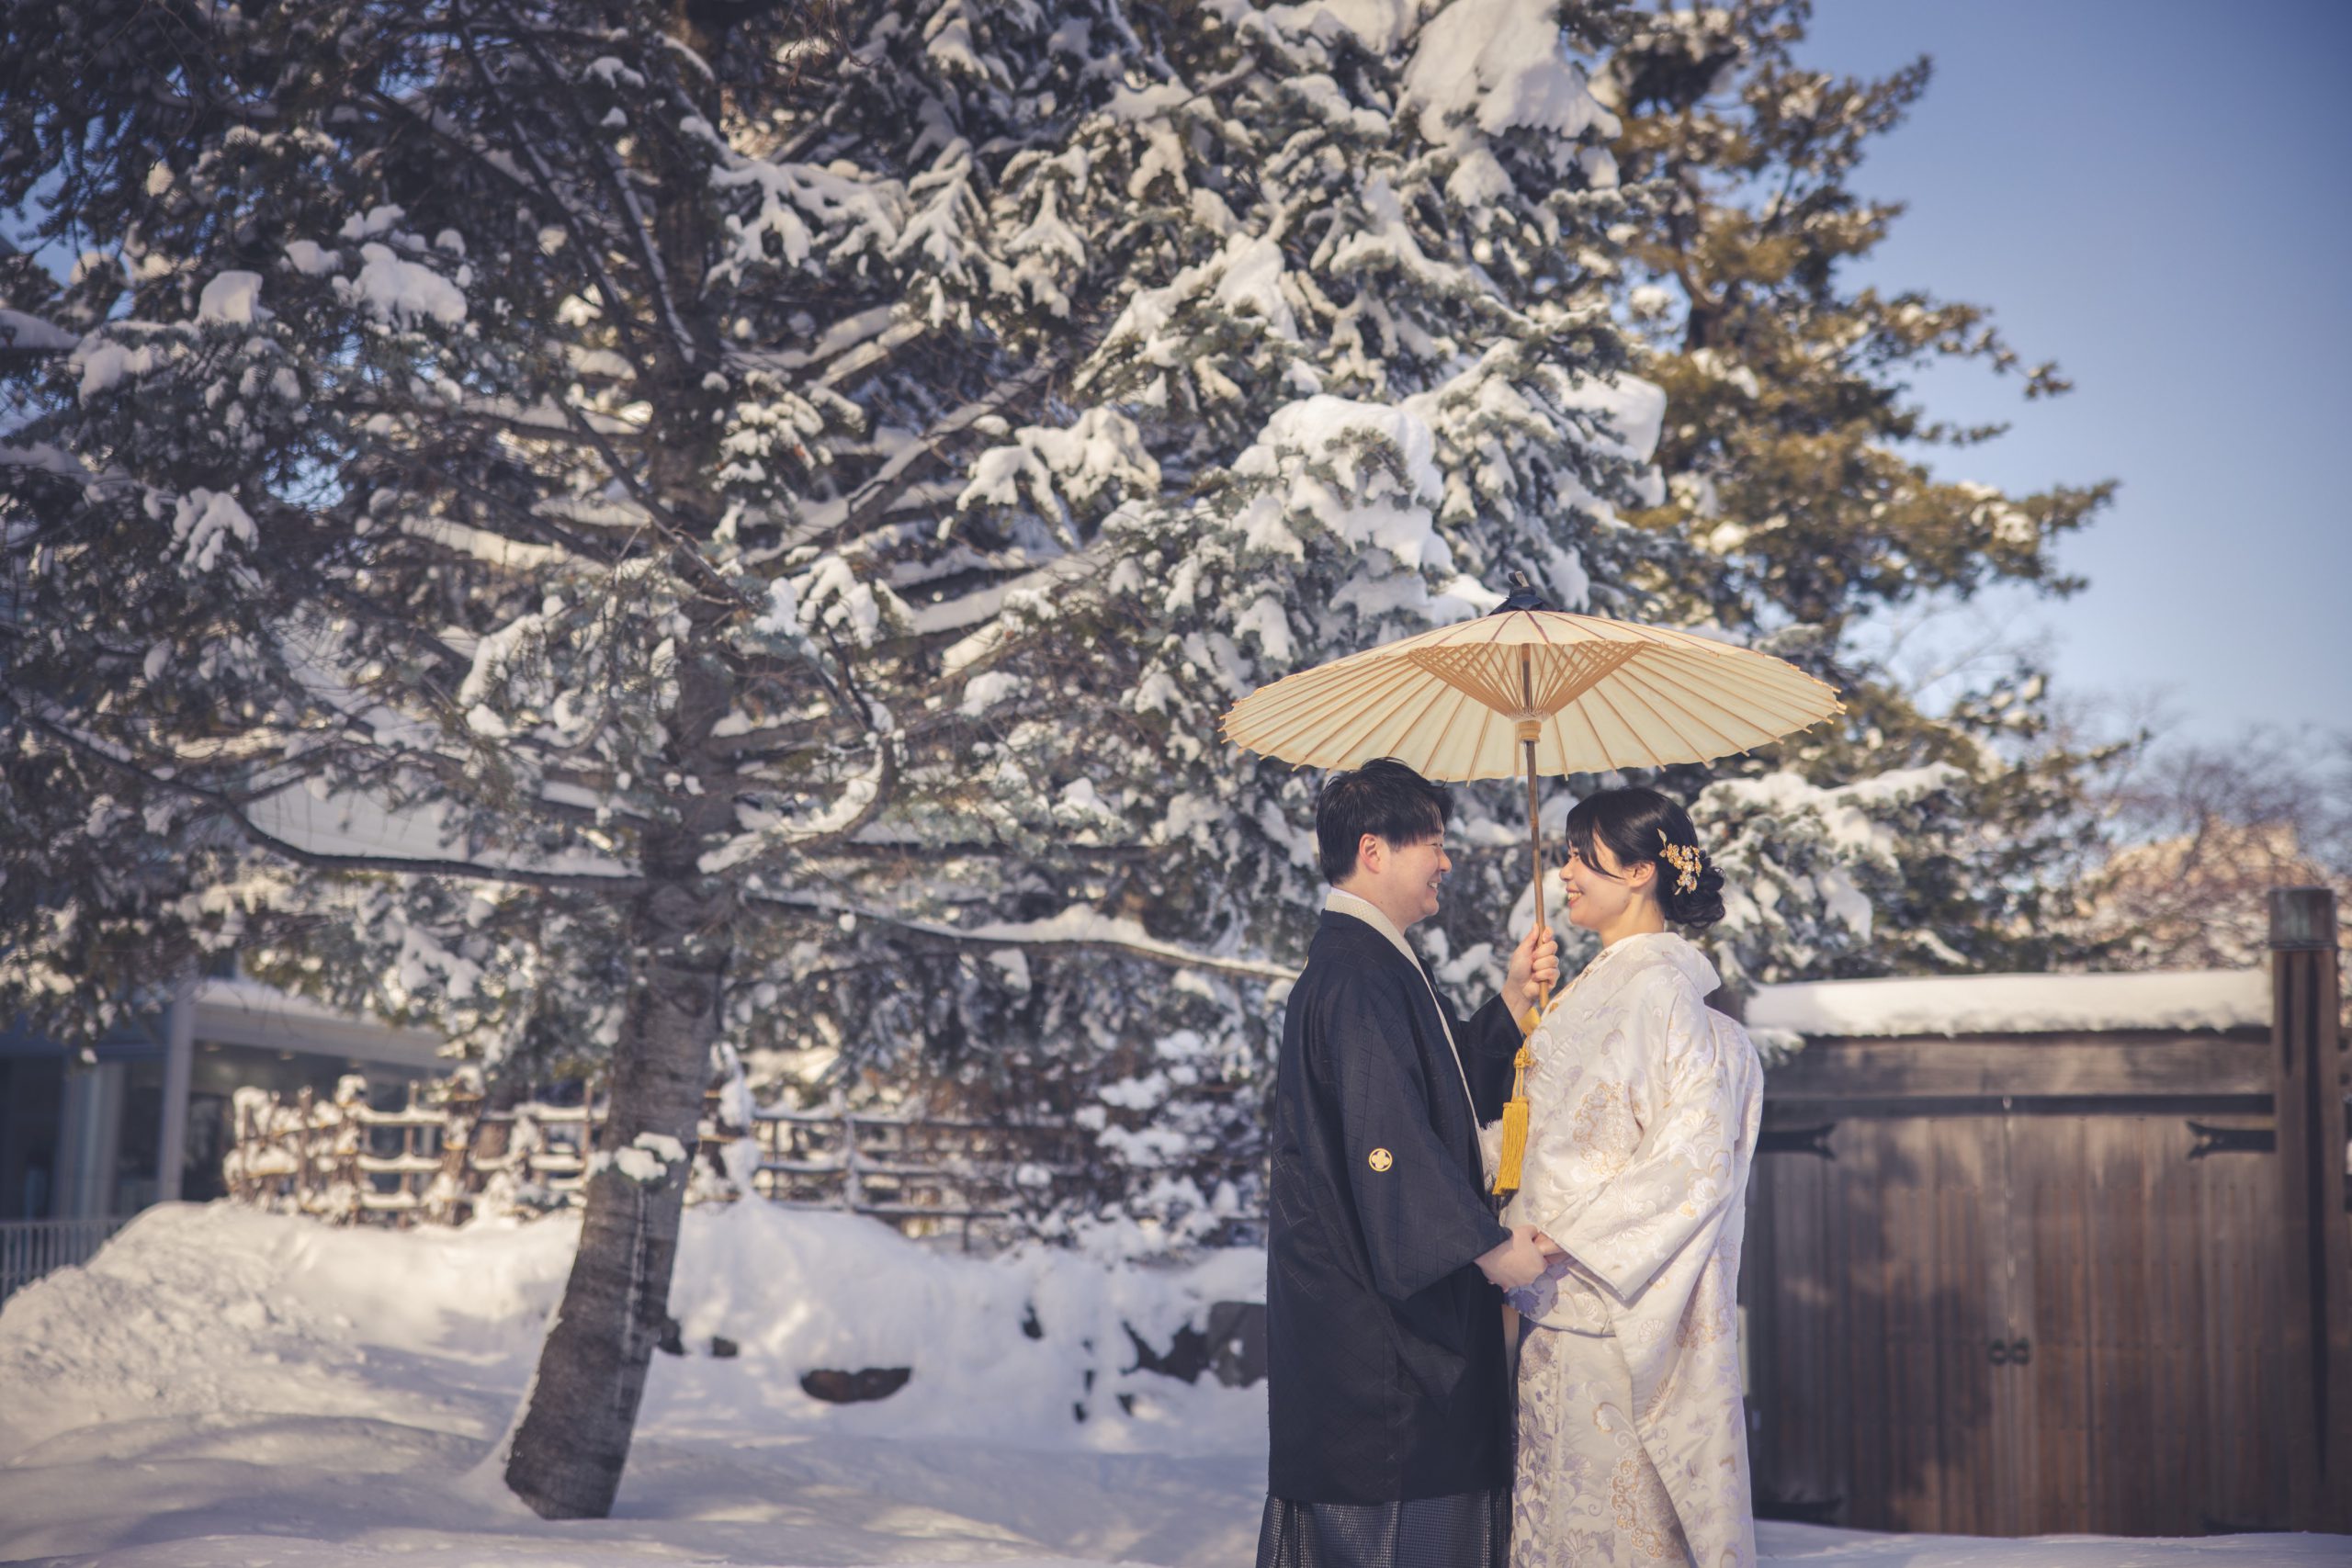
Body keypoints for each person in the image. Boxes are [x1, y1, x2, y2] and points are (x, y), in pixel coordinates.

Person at [1259, 758, 1561, 1568]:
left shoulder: (1370, 962)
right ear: (1374, 849)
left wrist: (1507, 1006)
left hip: (1370, 1329)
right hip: (1378, 1348)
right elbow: (1390, 1143)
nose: (1446, 860)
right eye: (1432, 840)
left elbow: (1431, 1090)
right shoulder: (1358, 973)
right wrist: (1498, 1252)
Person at [1502, 786, 1763, 1568]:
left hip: (1604, 1301)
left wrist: (1564, 1236)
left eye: (1586, 855)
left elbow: (1696, 1152)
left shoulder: (1660, 988)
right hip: (1556, 1307)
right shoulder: (1589, 988)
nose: (1568, 872)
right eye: (1570, 852)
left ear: (1642, 869)